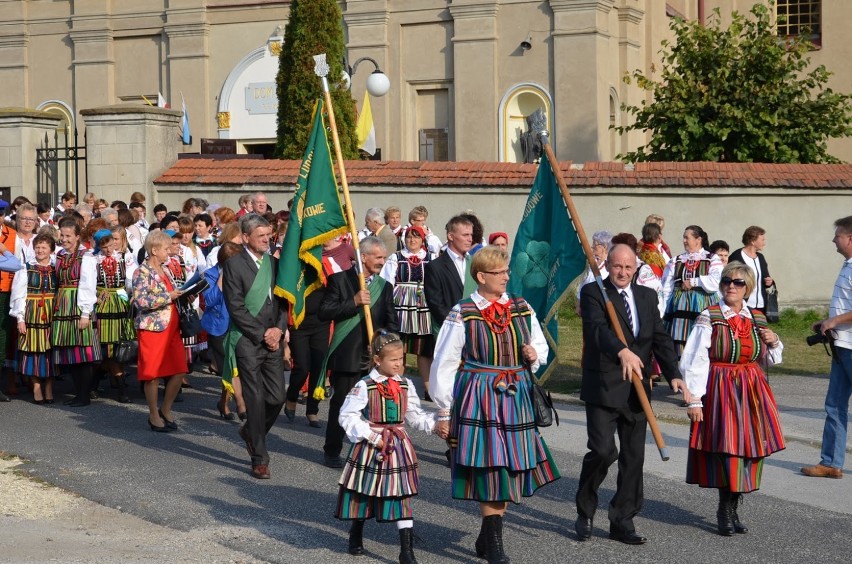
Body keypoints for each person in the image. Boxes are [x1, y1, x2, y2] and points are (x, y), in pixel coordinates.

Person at [430, 245, 558, 563]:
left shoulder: (520, 305)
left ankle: (488, 535)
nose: (506, 277)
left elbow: (537, 343)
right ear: (481, 277)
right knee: (490, 469)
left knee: (509, 469)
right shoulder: (462, 312)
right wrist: (444, 410)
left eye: (506, 271)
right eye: (499, 273)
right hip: (479, 397)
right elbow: (444, 362)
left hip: (515, 398)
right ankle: (496, 546)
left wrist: (533, 354)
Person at [575, 244, 684, 545]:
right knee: (602, 451)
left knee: (633, 458)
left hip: (638, 390)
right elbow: (597, 331)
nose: (622, 273)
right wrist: (622, 351)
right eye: (617, 266)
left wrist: (674, 374)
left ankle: (622, 520)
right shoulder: (594, 292)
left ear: (636, 267)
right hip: (604, 386)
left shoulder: (647, 297)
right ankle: (585, 510)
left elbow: (659, 337)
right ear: (608, 265)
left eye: (628, 267)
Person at [681, 261, 785, 536]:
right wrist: (694, 400)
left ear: (747, 287)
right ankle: (724, 509)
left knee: (750, 450)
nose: (731, 286)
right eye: (727, 281)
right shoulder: (710, 316)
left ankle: (734, 506)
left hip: (752, 389)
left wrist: (774, 341)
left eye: (738, 282)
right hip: (721, 388)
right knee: (728, 449)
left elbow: (771, 359)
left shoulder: (758, 318)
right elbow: (695, 359)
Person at [336, 331, 439, 563]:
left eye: (401, 359)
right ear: (377, 360)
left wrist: (435, 425)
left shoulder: (405, 384)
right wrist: (371, 437)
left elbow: (414, 415)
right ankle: (356, 532)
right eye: (394, 360)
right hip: (372, 446)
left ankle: (406, 550)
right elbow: (347, 415)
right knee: (364, 491)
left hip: (398, 446)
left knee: (401, 494)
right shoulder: (365, 386)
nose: (399, 364)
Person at [318, 236, 397, 468]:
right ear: (363, 257)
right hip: (347, 354)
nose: (382, 261)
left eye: (384, 257)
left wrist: (384, 337)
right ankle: (332, 450)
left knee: (375, 408)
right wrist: (352, 301)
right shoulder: (339, 280)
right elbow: (325, 312)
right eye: (378, 257)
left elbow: (392, 321)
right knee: (342, 404)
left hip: (375, 357)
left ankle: (370, 449)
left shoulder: (385, 287)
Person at [223, 215, 288, 480]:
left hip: (273, 337)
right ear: (246, 237)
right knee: (256, 399)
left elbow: (284, 302)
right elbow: (236, 307)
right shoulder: (234, 265)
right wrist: (262, 334)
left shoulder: (275, 263)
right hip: (248, 340)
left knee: (276, 397)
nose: (266, 239)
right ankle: (259, 457)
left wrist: (279, 330)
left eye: (268, 235)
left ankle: (250, 431)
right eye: (261, 235)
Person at [802, 215, 852, 480]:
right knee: (834, 405)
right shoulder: (847, 265)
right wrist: (828, 322)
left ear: (850, 239)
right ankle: (831, 462)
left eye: (838, 235)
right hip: (843, 345)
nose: (834, 239)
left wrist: (835, 320)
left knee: (835, 405)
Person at [284, 238, 352, 428]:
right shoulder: (295, 268)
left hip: (321, 323)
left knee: (319, 367)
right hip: (299, 324)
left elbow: (340, 287)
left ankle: (312, 410)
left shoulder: (327, 265)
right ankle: (291, 397)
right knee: (302, 367)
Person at [132, 230, 188, 432]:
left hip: (172, 327)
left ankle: (165, 409)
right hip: (153, 329)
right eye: (166, 248)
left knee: (179, 369)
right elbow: (140, 301)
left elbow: (171, 293)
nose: (170, 251)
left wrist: (184, 294)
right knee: (153, 374)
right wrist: (169, 297)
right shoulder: (141, 272)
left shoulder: (166, 269)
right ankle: (153, 415)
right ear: (154, 250)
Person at [52, 217, 102, 407]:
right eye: (62, 235)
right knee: (70, 352)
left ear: (78, 236)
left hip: (79, 304)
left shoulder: (86, 257)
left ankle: (84, 395)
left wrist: (85, 313)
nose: (64, 239)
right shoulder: (59, 255)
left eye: (68, 236)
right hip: (63, 304)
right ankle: (79, 394)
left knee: (84, 351)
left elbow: (88, 285)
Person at [380, 225, 434, 399]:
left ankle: (428, 389)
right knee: (399, 348)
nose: (412, 240)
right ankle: (397, 384)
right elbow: (386, 282)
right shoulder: (396, 258)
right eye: (409, 237)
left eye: (416, 237)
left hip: (422, 307)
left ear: (422, 240)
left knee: (423, 350)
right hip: (401, 306)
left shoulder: (430, 258)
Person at [661, 225, 723, 357]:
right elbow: (666, 287)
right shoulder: (676, 260)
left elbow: (716, 281)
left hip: (703, 305)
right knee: (680, 343)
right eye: (683, 238)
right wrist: (662, 310)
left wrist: (694, 282)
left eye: (686, 238)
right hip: (679, 308)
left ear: (698, 239)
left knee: (702, 339)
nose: (684, 241)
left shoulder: (711, 258)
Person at [201, 242, 246, 421]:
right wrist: (222, 278)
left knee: (237, 367)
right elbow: (209, 301)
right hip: (218, 327)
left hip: (238, 325)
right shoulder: (210, 274)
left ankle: (223, 402)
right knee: (230, 367)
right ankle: (241, 402)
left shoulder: (242, 272)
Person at [92, 229, 137, 403]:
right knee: (106, 347)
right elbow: (89, 282)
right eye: (104, 246)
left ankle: (98, 385)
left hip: (120, 303)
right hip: (102, 306)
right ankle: (119, 388)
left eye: (111, 244)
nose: (109, 249)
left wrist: (133, 293)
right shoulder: (94, 260)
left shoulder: (125, 258)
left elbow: (132, 279)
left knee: (119, 345)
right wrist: (96, 295)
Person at [10, 234, 54, 404]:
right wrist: (20, 318)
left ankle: (49, 386)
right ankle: (36, 386)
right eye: (37, 247)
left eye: (44, 247)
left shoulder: (56, 267)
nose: (40, 250)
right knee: (32, 349)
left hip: (51, 313)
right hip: (32, 313)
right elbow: (18, 295)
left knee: (51, 349)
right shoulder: (25, 268)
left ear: (51, 249)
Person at [729, 227, 772, 314]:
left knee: (759, 327)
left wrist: (769, 282)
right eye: (762, 240)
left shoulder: (760, 257)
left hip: (761, 305)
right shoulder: (736, 256)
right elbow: (730, 279)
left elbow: (764, 278)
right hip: (743, 304)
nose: (764, 243)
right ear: (752, 241)